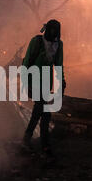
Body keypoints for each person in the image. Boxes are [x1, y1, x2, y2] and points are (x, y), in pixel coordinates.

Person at [22, 20, 65, 155]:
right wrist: (26, 83)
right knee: (43, 110)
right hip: (33, 79)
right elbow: (27, 61)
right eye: (51, 30)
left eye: (55, 30)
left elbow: (58, 65)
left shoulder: (59, 44)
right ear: (47, 30)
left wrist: (61, 80)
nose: (52, 33)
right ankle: (43, 143)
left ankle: (30, 139)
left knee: (41, 111)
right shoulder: (37, 41)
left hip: (47, 81)